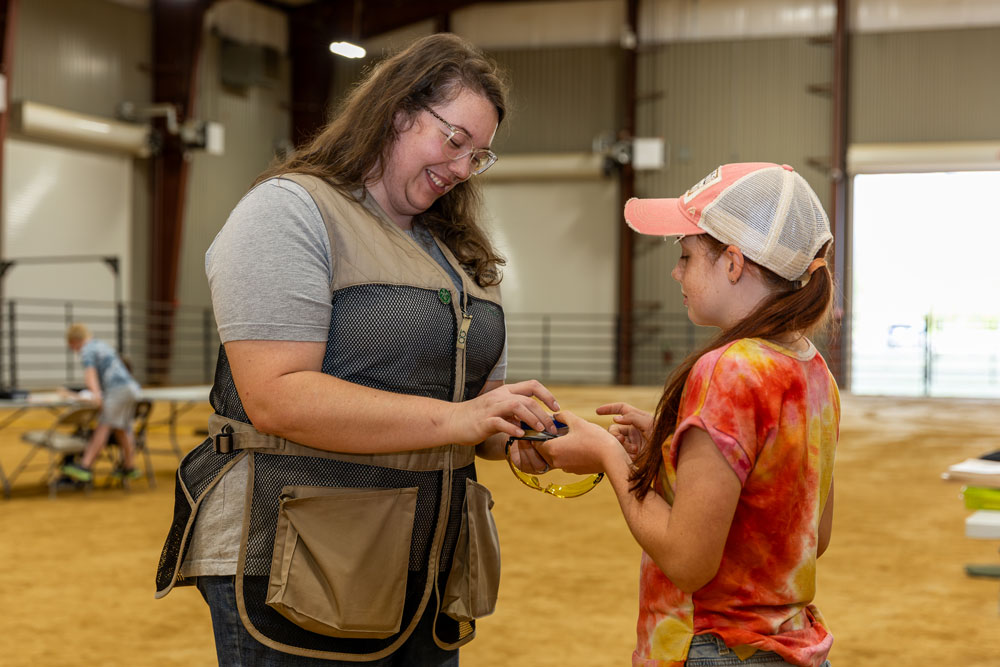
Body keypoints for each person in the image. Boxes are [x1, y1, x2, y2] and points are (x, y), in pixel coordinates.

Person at [155, 33, 556, 666]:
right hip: (298, 562)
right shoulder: (290, 210)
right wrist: (461, 419)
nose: (460, 168)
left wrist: (512, 433)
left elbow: (470, 405)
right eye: (454, 141)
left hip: (427, 567)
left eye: (478, 156)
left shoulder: (460, 250)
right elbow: (277, 395)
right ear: (398, 112)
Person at [534, 163, 839, 666]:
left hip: (713, 647)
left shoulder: (727, 370)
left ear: (734, 263)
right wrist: (678, 451)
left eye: (686, 255)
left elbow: (687, 562)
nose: (677, 271)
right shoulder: (812, 369)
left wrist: (609, 454)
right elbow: (811, 535)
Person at [61, 323, 143, 482]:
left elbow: (90, 374)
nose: (74, 350)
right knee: (122, 428)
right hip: (131, 389)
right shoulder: (100, 345)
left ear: (75, 340)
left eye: (72, 346)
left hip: (117, 390)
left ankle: (85, 466)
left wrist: (96, 394)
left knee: (103, 426)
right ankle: (129, 466)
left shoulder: (87, 350)